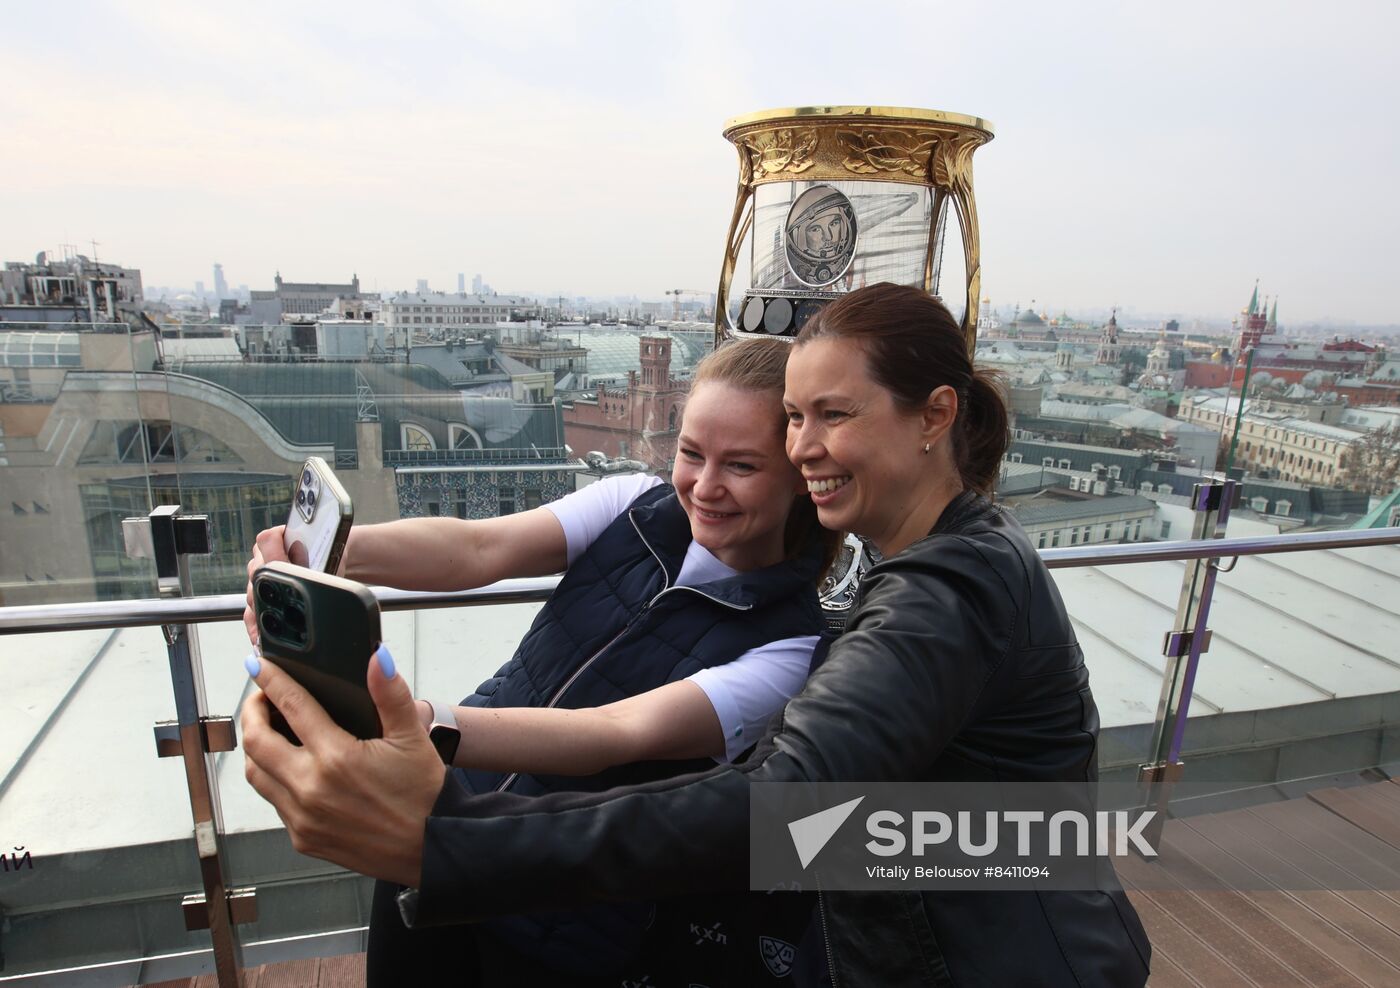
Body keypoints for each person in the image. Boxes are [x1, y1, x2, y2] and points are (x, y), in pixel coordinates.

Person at [243, 283, 1152, 986]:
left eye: (833, 415)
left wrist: (440, 836)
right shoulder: (952, 561)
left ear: (936, 416)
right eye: (796, 418)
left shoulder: (937, 592)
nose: (806, 446)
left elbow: (778, 808)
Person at [241, 337, 838, 985]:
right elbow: (478, 548)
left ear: (802, 479)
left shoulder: (790, 647)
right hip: (435, 817)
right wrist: (325, 556)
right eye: (691, 453)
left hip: (556, 908)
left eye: (742, 466)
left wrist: (421, 726)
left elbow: (612, 735)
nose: (705, 485)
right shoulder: (636, 503)